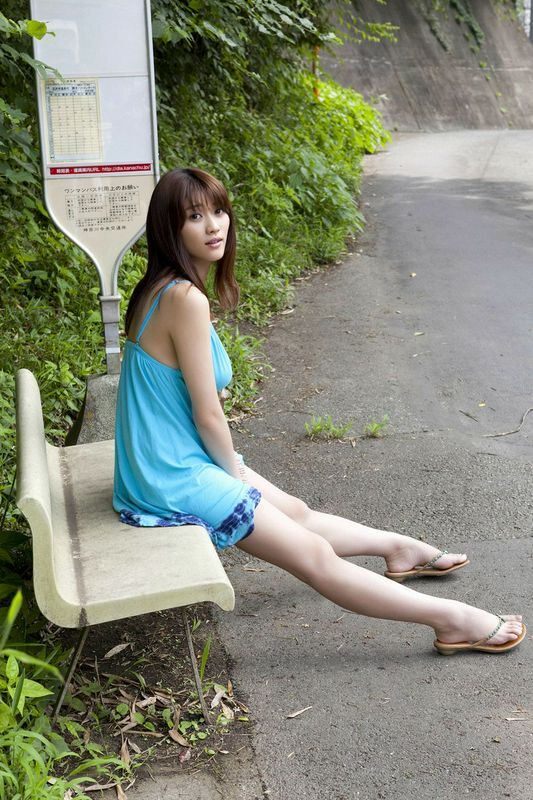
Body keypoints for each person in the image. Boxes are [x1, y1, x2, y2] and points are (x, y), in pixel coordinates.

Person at [113, 167, 525, 656]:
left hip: (165, 461)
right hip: (171, 475)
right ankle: (454, 621)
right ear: (169, 228)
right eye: (194, 216)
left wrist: (231, 470)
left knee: (297, 513)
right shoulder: (184, 298)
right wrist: (234, 475)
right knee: (314, 557)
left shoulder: (162, 287)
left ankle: (398, 548)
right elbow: (208, 415)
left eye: (218, 210)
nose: (214, 225)